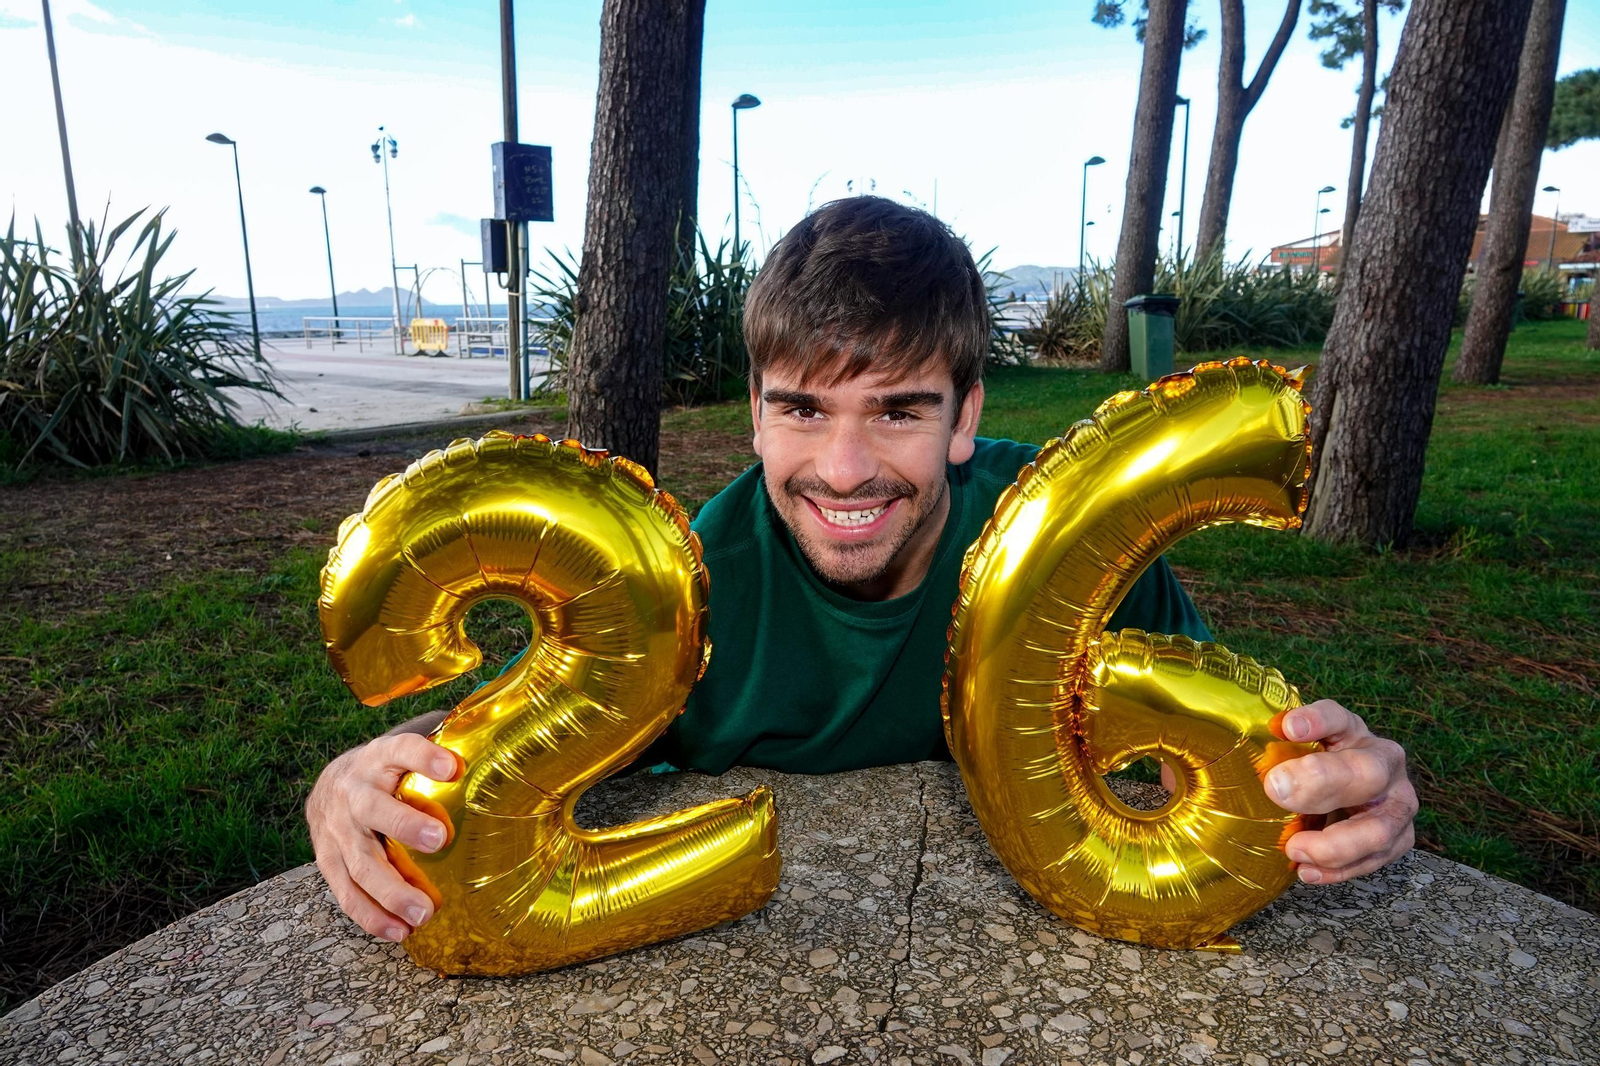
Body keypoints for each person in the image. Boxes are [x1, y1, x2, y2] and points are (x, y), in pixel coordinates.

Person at [305, 196, 1418, 946]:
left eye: (897, 409)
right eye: (802, 408)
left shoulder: (1078, 547)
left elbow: (1251, 758)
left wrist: (1335, 786)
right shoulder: (683, 594)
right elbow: (499, 751)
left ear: (965, 416)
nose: (843, 468)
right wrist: (358, 786)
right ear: (754, 416)